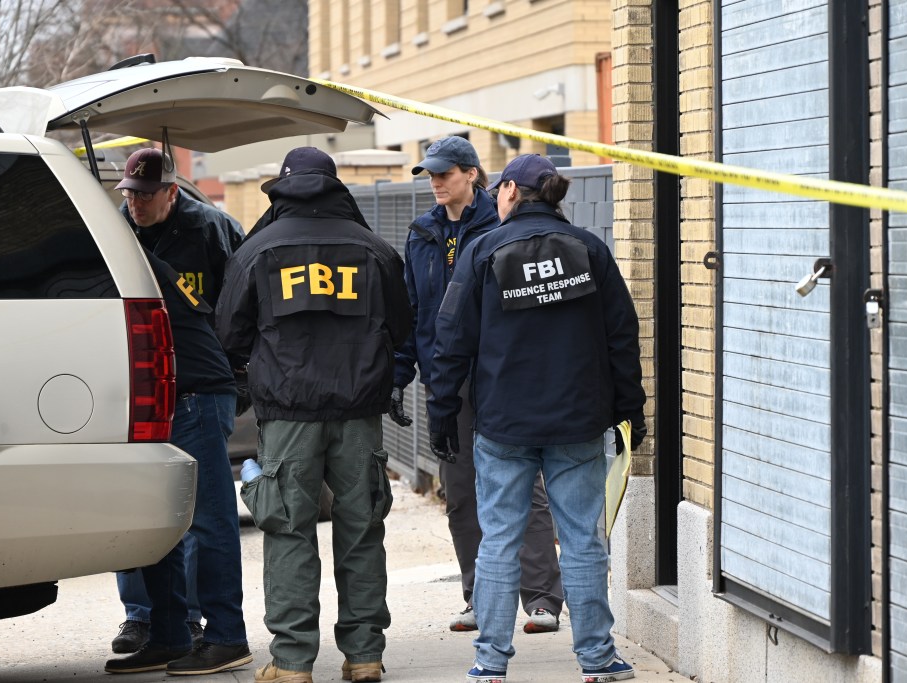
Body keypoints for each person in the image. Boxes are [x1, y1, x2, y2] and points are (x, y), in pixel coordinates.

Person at [426, 154, 646, 683]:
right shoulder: (589, 250)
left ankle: (489, 664)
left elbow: (450, 341)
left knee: (499, 539)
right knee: (583, 540)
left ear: (507, 193)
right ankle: (597, 659)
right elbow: (623, 337)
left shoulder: (482, 251)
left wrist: (442, 413)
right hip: (578, 421)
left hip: (503, 423)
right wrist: (630, 411)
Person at [215, 147, 412, 683]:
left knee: (287, 530)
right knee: (362, 529)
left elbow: (228, 334)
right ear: (335, 186)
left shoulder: (259, 249)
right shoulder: (372, 248)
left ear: (281, 187)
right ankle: (365, 655)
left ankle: (293, 661)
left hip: (288, 413)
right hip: (358, 412)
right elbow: (402, 325)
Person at [387, 136, 564, 634]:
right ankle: (478, 597)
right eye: (430, 174)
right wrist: (401, 375)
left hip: (500, 377)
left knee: (522, 488)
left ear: (471, 173)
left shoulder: (501, 225)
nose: (437, 182)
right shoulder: (422, 234)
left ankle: (542, 599)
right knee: (461, 492)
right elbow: (413, 313)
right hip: (446, 381)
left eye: (445, 173)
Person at [104, 149, 251, 676]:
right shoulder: (113, 232)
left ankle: (228, 636)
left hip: (198, 391)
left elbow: (243, 303)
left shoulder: (211, 229)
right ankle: (165, 634)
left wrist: (239, 377)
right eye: (129, 193)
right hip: (146, 396)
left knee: (209, 520)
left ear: (172, 191)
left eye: (146, 194)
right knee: (151, 520)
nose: (135, 202)